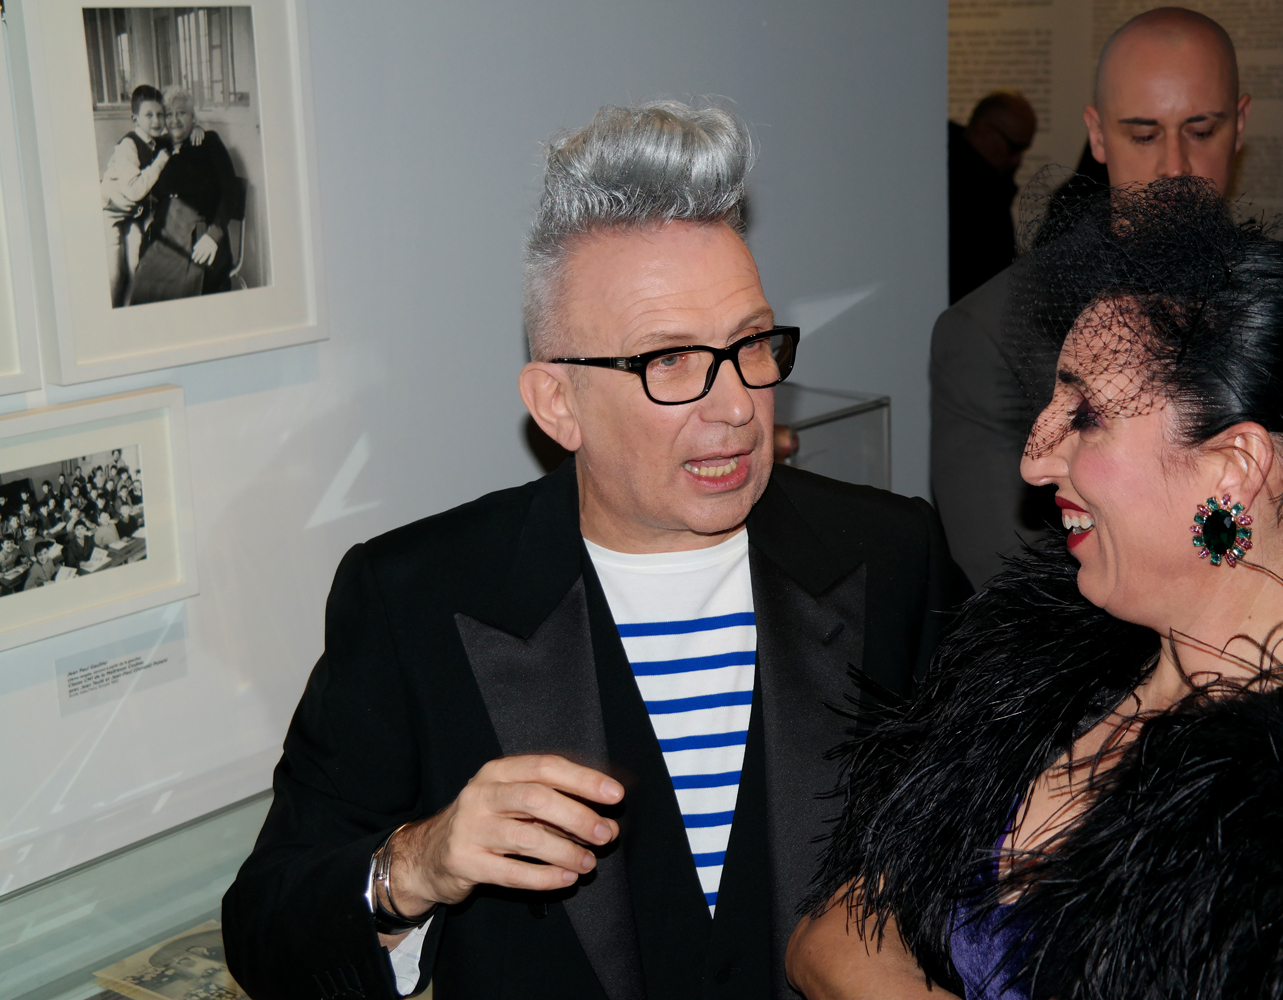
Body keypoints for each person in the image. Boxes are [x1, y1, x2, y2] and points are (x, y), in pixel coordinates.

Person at [221, 100, 969, 1000]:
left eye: (751, 344)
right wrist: (417, 863)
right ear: (557, 404)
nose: (736, 405)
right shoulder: (413, 598)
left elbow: (1003, 840)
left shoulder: (891, 555)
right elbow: (264, 930)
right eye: (670, 361)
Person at [787, 178, 1283, 998]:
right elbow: (829, 930)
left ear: (1234, 469)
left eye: (1085, 415)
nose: (1034, 458)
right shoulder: (1046, 670)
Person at [930, 6, 1250, 589]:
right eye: (1143, 134)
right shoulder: (993, 333)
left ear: (1241, 124)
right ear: (1098, 135)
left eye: (1201, 131)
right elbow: (1010, 584)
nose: (1174, 167)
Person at [128, 86, 240, 305]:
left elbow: (231, 192)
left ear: (193, 116)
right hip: (165, 235)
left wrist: (213, 236)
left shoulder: (209, 142)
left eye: (181, 113)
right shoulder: (160, 147)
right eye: (169, 114)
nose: (174, 120)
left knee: (186, 291)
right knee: (144, 287)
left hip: (200, 233)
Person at [949, 91, 1037, 304]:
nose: (1018, 160)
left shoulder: (990, 182)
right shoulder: (962, 184)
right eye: (1013, 147)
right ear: (985, 130)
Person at [101, 85, 170, 308]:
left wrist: (197, 127)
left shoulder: (157, 141)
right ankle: (112, 313)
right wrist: (160, 162)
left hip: (132, 215)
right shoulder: (128, 145)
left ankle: (131, 311)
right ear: (135, 119)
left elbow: (178, 136)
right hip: (110, 214)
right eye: (149, 115)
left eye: (160, 114)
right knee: (115, 274)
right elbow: (134, 190)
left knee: (136, 267)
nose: (156, 121)